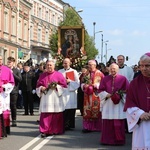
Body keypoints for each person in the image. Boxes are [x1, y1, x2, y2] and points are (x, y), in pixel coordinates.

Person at [124, 52, 150, 150]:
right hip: (142, 122)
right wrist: (140, 114)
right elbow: (129, 102)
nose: (143, 68)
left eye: (147, 65)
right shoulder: (135, 83)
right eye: (141, 65)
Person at [98, 63, 129, 145]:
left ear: (118, 70)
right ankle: (106, 140)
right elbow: (100, 90)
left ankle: (119, 140)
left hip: (119, 104)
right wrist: (106, 95)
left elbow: (128, 91)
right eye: (111, 68)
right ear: (109, 69)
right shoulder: (105, 79)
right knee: (108, 122)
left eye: (114, 68)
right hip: (108, 103)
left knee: (118, 122)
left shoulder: (123, 79)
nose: (112, 70)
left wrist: (120, 95)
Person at [36, 59, 67, 137]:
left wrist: (56, 86)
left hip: (55, 97)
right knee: (46, 114)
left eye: (50, 65)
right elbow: (38, 86)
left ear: (54, 66)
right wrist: (41, 88)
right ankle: (45, 130)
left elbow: (64, 87)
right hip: (46, 97)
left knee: (56, 114)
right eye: (48, 65)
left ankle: (55, 130)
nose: (49, 66)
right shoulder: (42, 75)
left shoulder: (59, 75)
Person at [81, 60, 104, 133]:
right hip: (87, 94)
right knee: (87, 110)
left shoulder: (100, 73)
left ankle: (97, 127)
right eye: (88, 65)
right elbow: (81, 83)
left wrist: (96, 85)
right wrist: (84, 86)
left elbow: (104, 84)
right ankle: (87, 127)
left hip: (96, 94)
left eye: (91, 65)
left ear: (95, 65)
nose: (89, 66)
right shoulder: (85, 73)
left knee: (96, 110)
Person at [58, 58, 80, 130]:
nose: (65, 64)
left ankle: (70, 125)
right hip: (62, 92)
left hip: (70, 93)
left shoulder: (74, 71)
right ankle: (63, 124)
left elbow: (77, 83)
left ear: (70, 63)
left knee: (70, 109)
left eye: (67, 63)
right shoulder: (59, 72)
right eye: (64, 63)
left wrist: (69, 81)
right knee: (63, 109)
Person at [0, 55, 14, 138]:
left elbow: (11, 83)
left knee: (4, 113)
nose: (0, 61)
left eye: (1, 59)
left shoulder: (7, 70)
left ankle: (4, 130)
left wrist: (4, 87)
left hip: (3, 95)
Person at [7, 56, 22, 127]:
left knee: (13, 105)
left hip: (14, 90)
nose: (9, 63)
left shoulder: (17, 70)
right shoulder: (5, 70)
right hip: (6, 91)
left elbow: (20, 79)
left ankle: (14, 120)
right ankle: (6, 120)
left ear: (13, 63)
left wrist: (12, 73)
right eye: (8, 62)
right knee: (6, 106)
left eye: (10, 62)